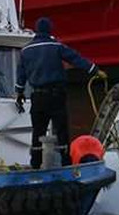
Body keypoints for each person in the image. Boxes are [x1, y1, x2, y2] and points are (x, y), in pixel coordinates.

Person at [15, 18, 106, 169]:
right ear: (49, 30)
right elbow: (75, 58)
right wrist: (95, 70)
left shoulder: (25, 51)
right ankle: (66, 164)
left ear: (36, 31)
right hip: (57, 95)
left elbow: (21, 75)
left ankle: (35, 164)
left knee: (38, 131)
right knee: (62, 131)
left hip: (38, 97)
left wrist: (19, 92)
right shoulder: (56, 46)